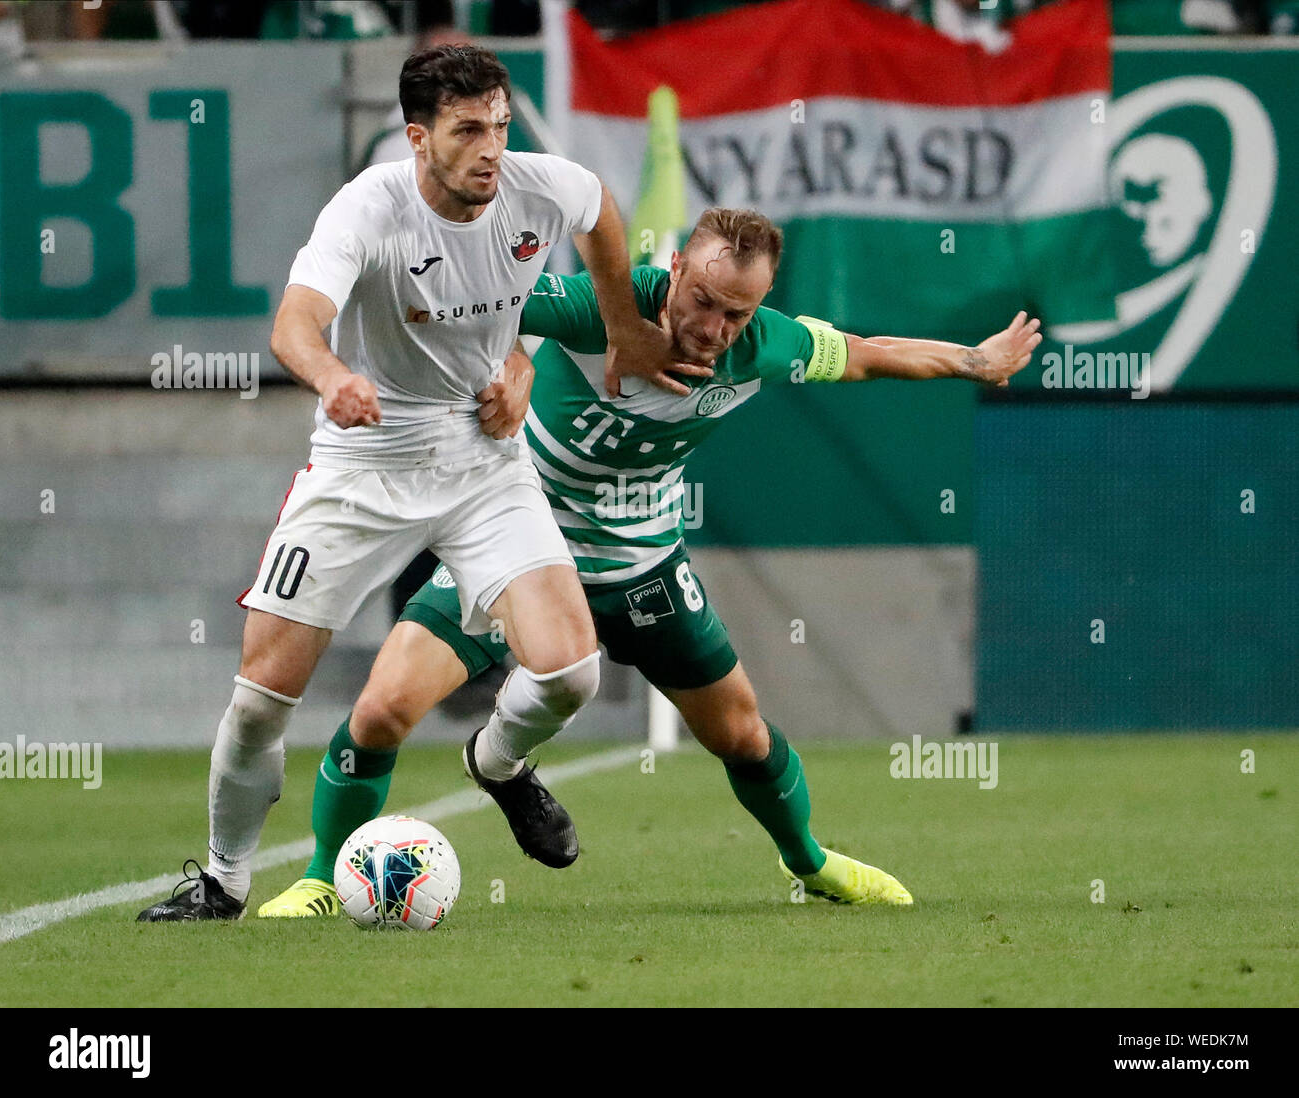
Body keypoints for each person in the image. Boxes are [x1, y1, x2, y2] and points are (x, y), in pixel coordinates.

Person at [259, 207, 1042, 916]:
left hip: (644, 564)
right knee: (382, 710)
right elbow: (474, 304)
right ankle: (324, 879)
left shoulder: (763, 345)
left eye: (737, 312)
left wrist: (976, 360)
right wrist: (508, 365)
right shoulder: (600, 305)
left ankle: (809, 863)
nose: (714, 327)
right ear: (674, 273)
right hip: (520, 551)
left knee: (743, 736)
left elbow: (870, 354)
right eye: (703, 301)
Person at [137, 43, 691, 922]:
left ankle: (499, 763)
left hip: (482, 463)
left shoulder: (537, 187)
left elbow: (597, 208)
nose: (491, 149)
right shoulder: (369, 208)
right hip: (364, 465)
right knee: (258, 701)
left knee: (572, 671)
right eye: (469, 130)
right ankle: (223, 879)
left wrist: (620, 326)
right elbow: (296, 325)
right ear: (417, 137)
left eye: (500, 126)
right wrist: (332, 379)